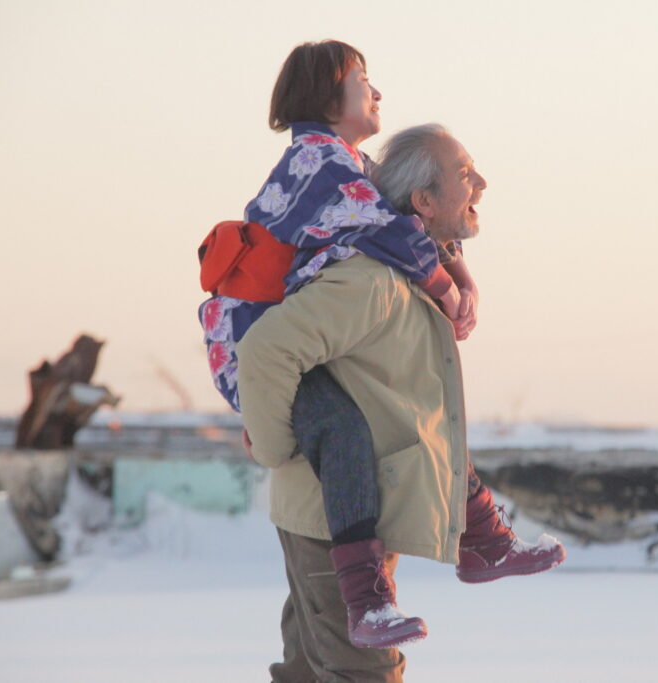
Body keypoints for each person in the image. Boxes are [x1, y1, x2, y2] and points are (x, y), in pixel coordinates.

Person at [239, 122, 566, 683]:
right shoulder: (374, 280)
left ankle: (485, 540)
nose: (481, 183)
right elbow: (265, 350)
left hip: (357, 518)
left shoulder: (411, 274)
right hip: (328, 520)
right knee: (363, 675)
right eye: (464, 174)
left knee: (310, 674)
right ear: (423, 200)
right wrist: (274, 449)